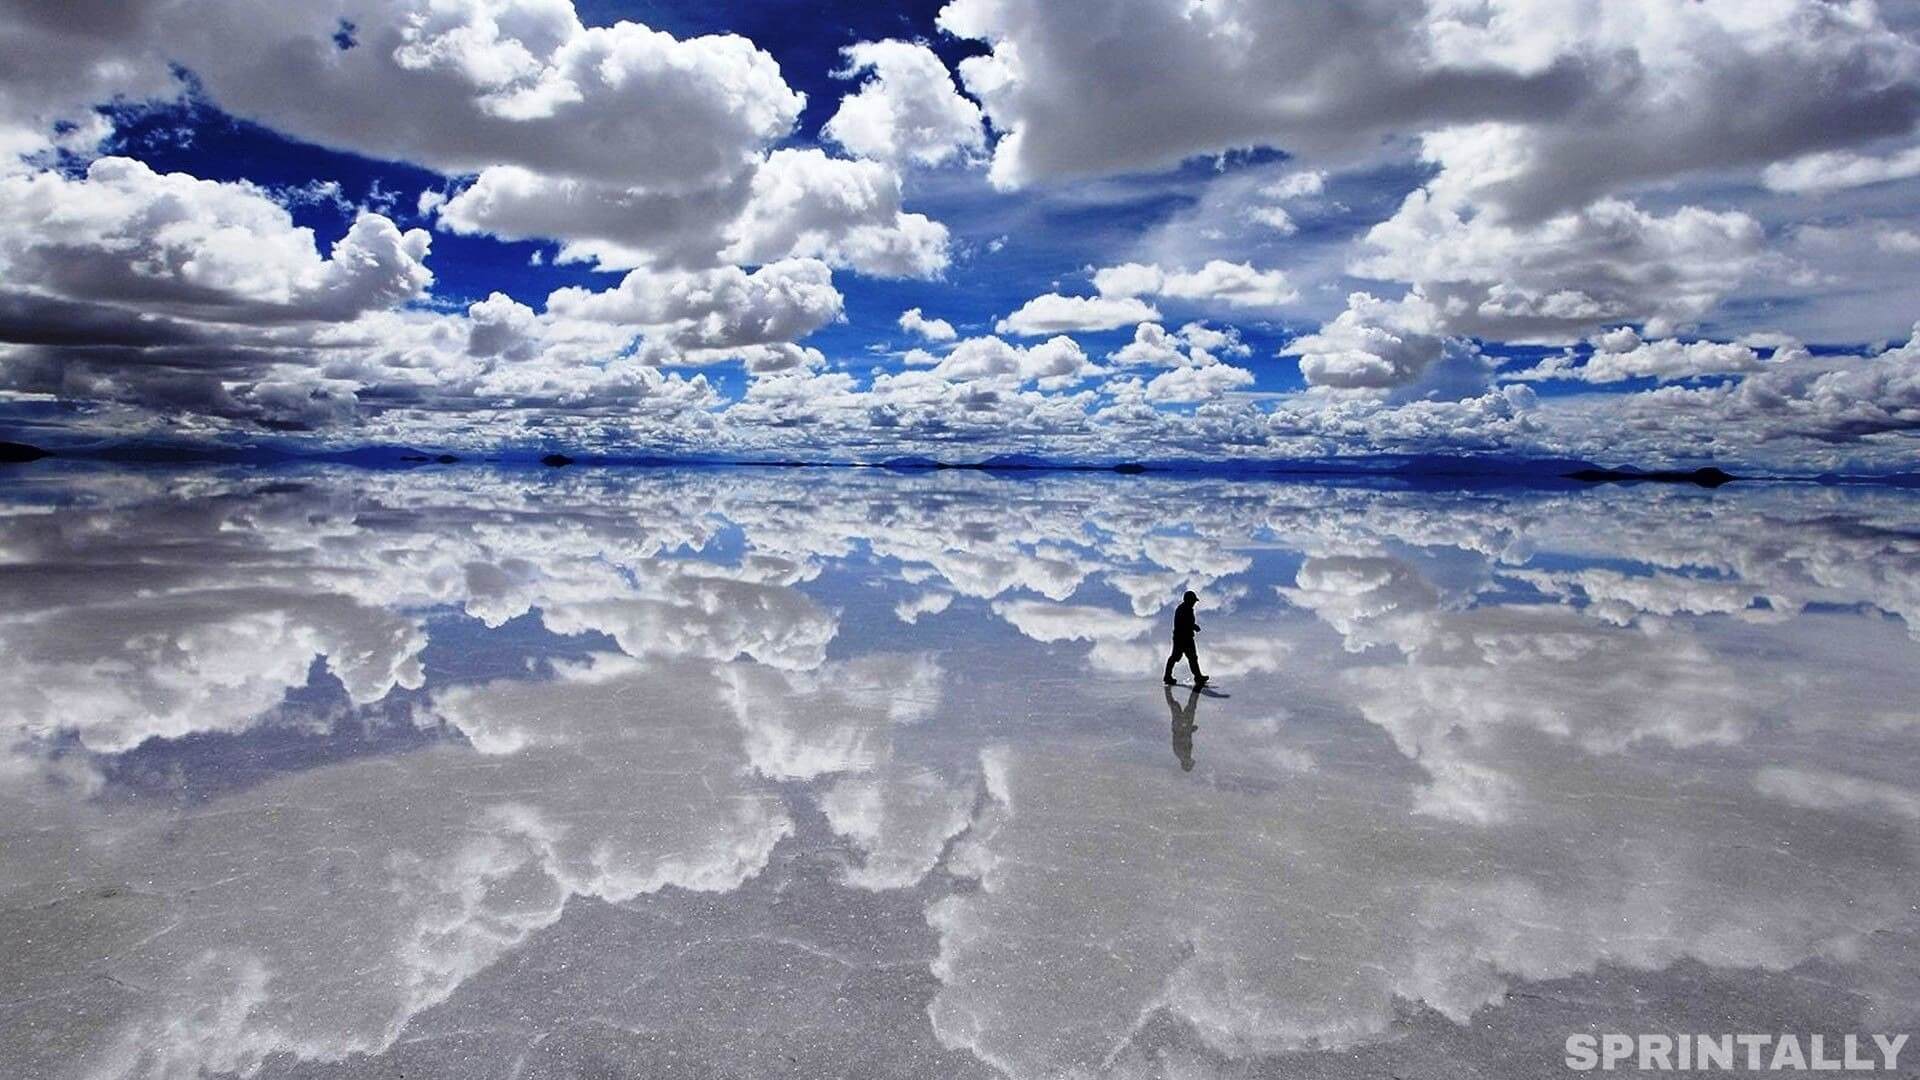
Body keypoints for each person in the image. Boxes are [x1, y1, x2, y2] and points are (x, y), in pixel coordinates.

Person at [1162, 589, 1207, 686]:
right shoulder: (1183, 609)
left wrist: (1193, 626)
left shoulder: (1187, 609)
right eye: (1193, 601)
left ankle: (1198, 676)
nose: (1194, 603)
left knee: (1192, 658)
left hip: (1187, 638)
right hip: (1181, 639)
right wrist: (1194, 626)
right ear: (1189, 600)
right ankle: (1167, 676)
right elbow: (1184, 624)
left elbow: (1187, 623)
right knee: (1175, 657)